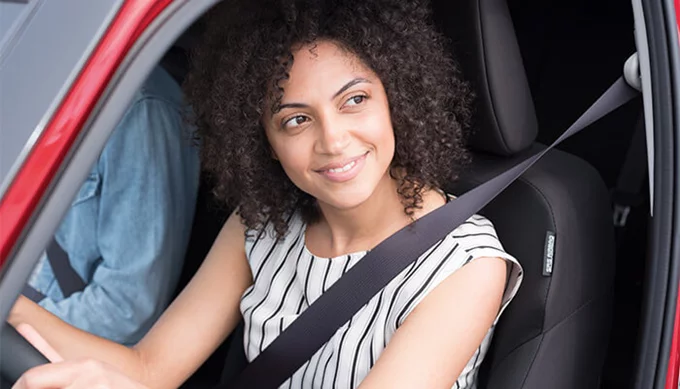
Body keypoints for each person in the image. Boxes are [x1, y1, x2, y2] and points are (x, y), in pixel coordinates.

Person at [9, 0, 523, 388]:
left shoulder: (465, 265)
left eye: (355, 100)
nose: (333, 140)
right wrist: (10, 302)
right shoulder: (263, 223)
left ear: (398, 100)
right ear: (266, 143)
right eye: (296, 119)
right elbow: (148, 369)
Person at [21, 65, 201, 345]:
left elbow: (126, 307)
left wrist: (16, 319)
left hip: (51, 349)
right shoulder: (41, 82)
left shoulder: (140, 110)